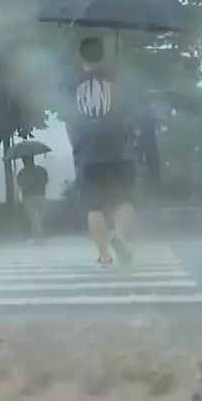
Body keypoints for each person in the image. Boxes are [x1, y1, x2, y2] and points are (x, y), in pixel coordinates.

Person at [63, 37, 137, 265]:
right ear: (102, 55)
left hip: (87, 152)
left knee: (93, 207)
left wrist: (75, 144)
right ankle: (120, 236)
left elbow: (69, 119)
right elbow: (128, 113)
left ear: (80, 57)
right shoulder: (116, 80)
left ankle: (104, 255)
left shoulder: (71, 85)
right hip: (117, 148)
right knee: (125, 200)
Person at [16, 156, 49, 241]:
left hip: (28, 197)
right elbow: (45, 181)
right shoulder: (42, 170)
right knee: (39, 217)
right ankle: (38, 235)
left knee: (33, 217)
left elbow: (20, 184)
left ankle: (38, 235)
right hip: (40, 196)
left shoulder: (22, 173)